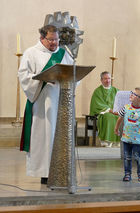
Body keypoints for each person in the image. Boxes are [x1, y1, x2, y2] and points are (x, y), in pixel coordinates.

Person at [18, 25, 73, 184]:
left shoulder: (64, 54)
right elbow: (23, 76)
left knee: (58, 135)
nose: (55, 43)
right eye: (51, 39)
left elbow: (72, 72)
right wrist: (42, 78)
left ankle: (61, 170)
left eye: (56, 39)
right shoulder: (31, 53)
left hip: (61, 102)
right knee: (44, 136)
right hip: (42, 104)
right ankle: (45, 172)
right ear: (42, 38)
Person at [89, 71, 120, 147]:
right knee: (109, 117)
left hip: (116, 112)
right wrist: (110, 110)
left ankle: (117, 142)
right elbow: (97, 104)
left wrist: (118, 111)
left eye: (109, 78)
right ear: (101, 80)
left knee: (121, 117)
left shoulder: (116, 91)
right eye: (105, 79)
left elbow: (121, 103)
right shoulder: (97, 91)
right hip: (104, 113)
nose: (108, 81)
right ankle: (106, 141)